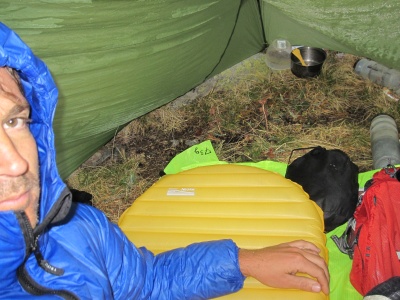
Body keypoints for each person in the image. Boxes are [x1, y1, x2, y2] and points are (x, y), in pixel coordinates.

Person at [0, 22, 329, 299]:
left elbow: (147, 283)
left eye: (13, 122)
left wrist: (244, 262)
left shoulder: (75, 227)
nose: (16, 163)